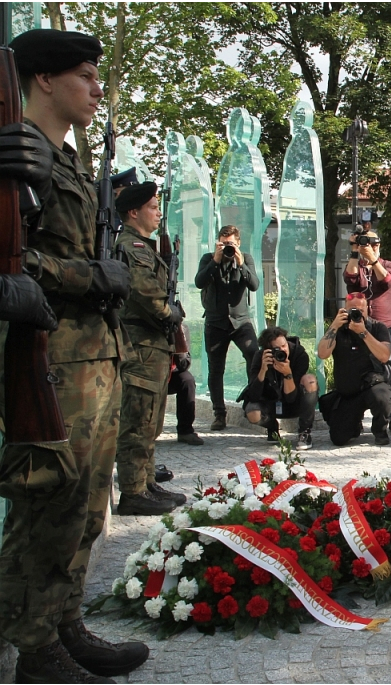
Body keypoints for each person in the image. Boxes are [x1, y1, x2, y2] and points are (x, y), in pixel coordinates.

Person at [0, 28, 149, 683]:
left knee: (88, 506)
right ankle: (33, 646)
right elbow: (18, 258)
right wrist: (93, 278)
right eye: (85, 76)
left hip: (98, 355)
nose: (96, 89)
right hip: (53, 353)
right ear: (43, 81)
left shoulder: (67, 161)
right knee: (49, 499)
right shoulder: (20, 155)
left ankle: (63, 622)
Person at [112, 181, 186, 516]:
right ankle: (132, 491)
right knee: (138, 420)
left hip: (153, 344)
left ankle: (146, 483)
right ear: (133, 212)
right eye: (153, 208)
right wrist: (172, 313)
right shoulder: (132, 246)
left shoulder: (144, 245)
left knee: (152, 420)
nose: (158, 213)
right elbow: (147, 295)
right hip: (140, 343)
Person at [194, 224, 260, 431]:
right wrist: (215, 259)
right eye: (223, 244)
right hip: (216, 322)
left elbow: (255, 285)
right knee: (216, 369)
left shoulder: (245, 259)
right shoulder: (208, 259)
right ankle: (219, 414)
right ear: (218, 243)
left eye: (231, 243)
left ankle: (252, 404)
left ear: (238, 243)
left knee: (254, 356)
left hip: (241, 321)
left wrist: (241, 263)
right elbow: (199, 282)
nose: (227, 248)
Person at [344, 225, 391, 437]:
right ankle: (357, 417)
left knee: (389, 373)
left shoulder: (388, 264)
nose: (367, 247)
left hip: (384, 327)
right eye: (363, 243)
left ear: (378, 245)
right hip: (359, 325)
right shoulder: (356, 264)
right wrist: (354, 251)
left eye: (371, 243)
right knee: (356, 370)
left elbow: (387, 281)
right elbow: (349, 279)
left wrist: (374, 260)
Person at [317, 292, 391, 446]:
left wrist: (363, 332)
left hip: (372, 386)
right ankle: (355, 424)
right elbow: (323, 354)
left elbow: (384, 356)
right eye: (352, 310)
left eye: (360, 310)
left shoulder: (378, 327)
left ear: (367, 309)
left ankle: (380, 429)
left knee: (381, 397)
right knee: (338, 439)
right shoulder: (338, 329)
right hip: (348, 392)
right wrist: (334, 325)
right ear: (344, 310)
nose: (357, 313)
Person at [239, 326, 318, 450]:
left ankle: (305, 432)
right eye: (277, 349)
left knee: (310, 380)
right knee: (253, 414)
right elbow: (253, 395)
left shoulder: (299, 354)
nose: (283, 351)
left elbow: (291, 397)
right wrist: (263, 370)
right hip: (270, 403)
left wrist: (287, 374)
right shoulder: (260, 357)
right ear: (268, 350)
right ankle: (272, 428)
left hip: (294, 403)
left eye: (284, 346)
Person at [167, 322, 203, 446]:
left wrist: (178, 338)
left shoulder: (181, 328)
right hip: (148, 372)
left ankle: (185, 431)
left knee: (187, 380)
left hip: (170, 374)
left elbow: (184, 365)